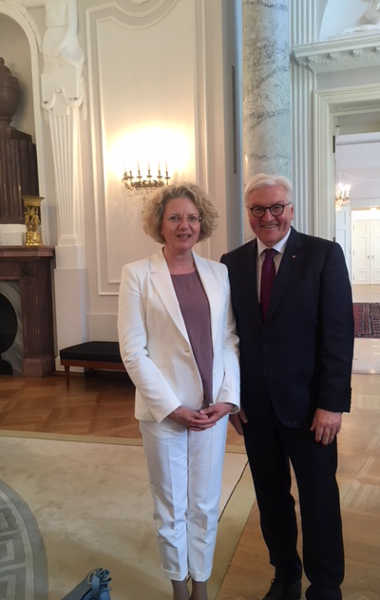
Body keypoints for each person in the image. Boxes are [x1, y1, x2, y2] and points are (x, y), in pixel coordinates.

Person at [221, 173, 354, 600]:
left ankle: (326, 583)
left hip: (311, 408)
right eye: (258, 209)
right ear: (249, 214)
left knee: (319, 499)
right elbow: (229, 338)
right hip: (256, 410)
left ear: (290, 210)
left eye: (276, 207)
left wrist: (331, 405)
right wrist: (232, 398)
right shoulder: (232, 263)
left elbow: (338, 336)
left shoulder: (323, 255)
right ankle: (285, 572)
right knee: (271, 497)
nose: (268, 217)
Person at [118, 183, 240, 600]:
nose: (184, 225)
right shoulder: (137, 274)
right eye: (175, 218)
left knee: (205, 505)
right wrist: (171, 407)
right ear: (160, 224)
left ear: (201, 223)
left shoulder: (218, 272)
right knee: (170, 507)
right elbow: (133, 351)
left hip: (212, 412)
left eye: (191, 217)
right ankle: (178, 588)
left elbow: (228, 340)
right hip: (163, 413)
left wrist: (227, 399)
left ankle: (201, 587)